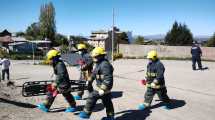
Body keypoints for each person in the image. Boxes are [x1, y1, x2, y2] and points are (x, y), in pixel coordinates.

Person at [79, 47, 115, 120]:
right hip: (102, 87)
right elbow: (94, 74)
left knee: (92, 96)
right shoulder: (99, 63)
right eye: (93, 57)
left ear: (101, 56)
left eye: (96, 57)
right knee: (107, 102)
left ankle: (86, 114)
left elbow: (108, 78)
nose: (94, 58)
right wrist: (89, 80)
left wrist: (102, 88)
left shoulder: (105, 64)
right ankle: (110, 117)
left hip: (104, 87)